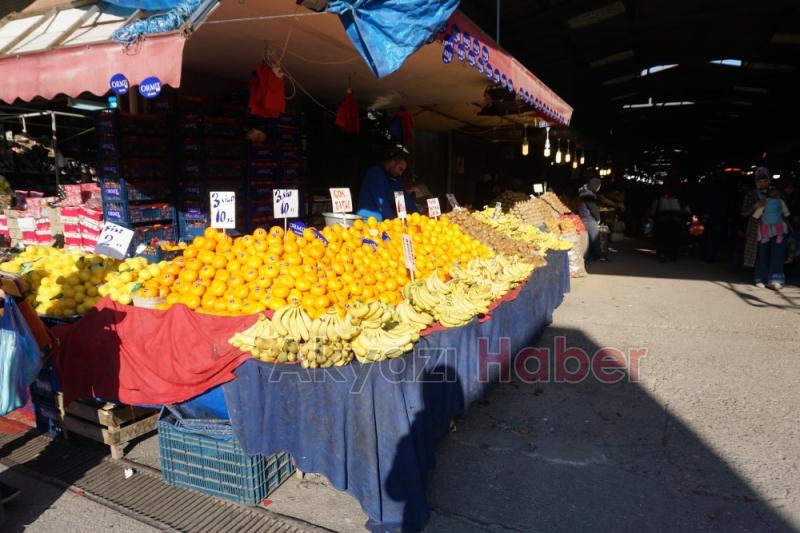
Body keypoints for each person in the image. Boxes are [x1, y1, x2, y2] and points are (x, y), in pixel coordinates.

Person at [741, 168, 789, 288]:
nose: (763, 183)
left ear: (769, 180)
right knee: (762, 253)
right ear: (756, 181)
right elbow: (743, 213)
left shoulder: (777, 192)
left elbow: (786, 209)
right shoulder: (751, 194)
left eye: (765, 180)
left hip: (778, 228)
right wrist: (754, 206)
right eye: (760, 181)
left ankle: (775, 279)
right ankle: (759, 278)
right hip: (760, 229)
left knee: (778, 253)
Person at [356, 146, 418, 221]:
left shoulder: (394, 177)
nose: (400, 173)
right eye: (400, 169)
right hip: (367, 220)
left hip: (384, 222)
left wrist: (418, 214)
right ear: (392, 162)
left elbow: (404, 197)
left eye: (402, 171)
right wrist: (394, 221)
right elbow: (382, 203)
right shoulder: (376, 173)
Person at [750, 184, 791, 289]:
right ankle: (760, 278)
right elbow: (756, 215)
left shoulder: (779, 202)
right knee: (764, 254)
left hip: (777, 231)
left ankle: (774, 279)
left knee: (776, 254)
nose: (775, 196)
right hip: (768, 231)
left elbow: (787, 214)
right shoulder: (765, 202)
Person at [649, 172, 690, 262]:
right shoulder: (681, 198)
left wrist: (652, 217)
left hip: (663, 220)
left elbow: (653, 210)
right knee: (674, 238)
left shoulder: (660, 197)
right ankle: (672, 253)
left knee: (662, 238)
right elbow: (687, 211)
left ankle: (663, 253)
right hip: (675, 221)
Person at [578, 178, 608, 261]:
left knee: (590, 239)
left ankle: (591, 256)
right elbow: (593, 208)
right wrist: (598, 219)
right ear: (596, 185)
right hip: (589, 218)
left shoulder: (583, 192)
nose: (599, 187)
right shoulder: (588, 194)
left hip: (584, 217)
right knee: (595, 238)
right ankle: (599, 257)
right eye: (599, 185)